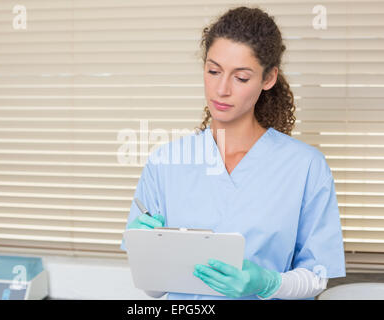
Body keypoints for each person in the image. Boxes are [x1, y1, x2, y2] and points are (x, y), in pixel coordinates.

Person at [120, 6, 345, 300]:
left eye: (240, 77)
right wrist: (147, 251)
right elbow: (154, 289)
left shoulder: (305, 166)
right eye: (213, 71)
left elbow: (317, 276)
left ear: (268, 78)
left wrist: (267, 283)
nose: (221, 89)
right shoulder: (165, 163)